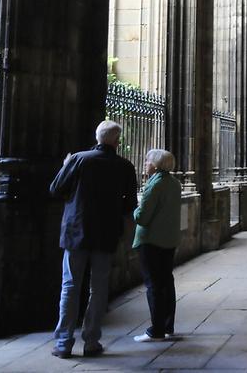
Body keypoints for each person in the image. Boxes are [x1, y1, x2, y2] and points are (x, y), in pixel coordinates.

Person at [49, 120, 137, 358]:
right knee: (98, 289)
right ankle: (91, 341)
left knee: (70, 286)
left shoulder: (78, 159)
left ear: (97, 137)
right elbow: (130, 205)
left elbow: (55, 189)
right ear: (117, 141)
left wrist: (65, 165)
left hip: (76, 232)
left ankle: (64, 343)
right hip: (106, 233)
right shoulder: (125, 166)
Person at [132, 149, 182, 343]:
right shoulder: (175, 183)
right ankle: (168, 326)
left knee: (153, 285)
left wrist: (134, 210)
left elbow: (142, 217)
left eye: (147, 161)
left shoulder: (155, 185)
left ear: (155, 164)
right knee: (166, 282)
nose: (145, 163)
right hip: (169, 240)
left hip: (151, 241)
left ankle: (157, 329)